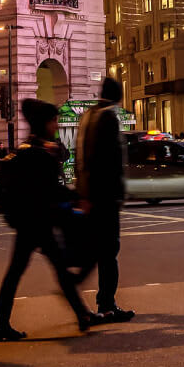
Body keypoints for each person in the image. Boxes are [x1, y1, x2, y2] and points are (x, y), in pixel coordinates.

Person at [0, 99, 98, 340]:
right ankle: (81, 314)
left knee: (19, 273)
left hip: (28, 221)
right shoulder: (40, 154)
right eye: (54, 120)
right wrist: (77, 198)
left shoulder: (30, 147)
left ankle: (1, 324)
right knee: (55, 268)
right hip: (39, 222)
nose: (57, 125)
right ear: (44, 123)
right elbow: (51, 190)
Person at [74, 77, 133, 324]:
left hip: (91, 194)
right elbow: (110, 161)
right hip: (106, 196)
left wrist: (84, 193)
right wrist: (118, 193)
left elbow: (82, 158)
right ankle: (107, 304)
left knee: (98, 251)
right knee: (110, 251)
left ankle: (82, 292)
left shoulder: (89, 115)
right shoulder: (108, 117)